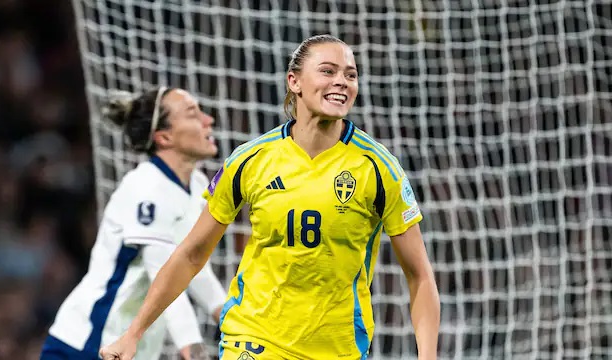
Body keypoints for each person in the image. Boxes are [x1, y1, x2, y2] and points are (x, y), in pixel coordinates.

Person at [100, 34, 441, 360]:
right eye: (328, 71)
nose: (342, 81)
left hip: (339, 348)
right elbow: (191, 254)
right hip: (254, 339)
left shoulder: (379, 168)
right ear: (294, 82)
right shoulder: (250, 160)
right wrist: (134, 333)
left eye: (350, 75)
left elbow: (419, 275)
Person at [40, 87, 227, 360]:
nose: (208, 120)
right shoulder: (146, 188)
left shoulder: (198, 185)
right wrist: (193, 349)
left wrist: (228, 317)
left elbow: (194, 266)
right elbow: (162, 276)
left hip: (130, 350)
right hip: (90, 343)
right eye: (192, 113)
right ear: (164, 137)